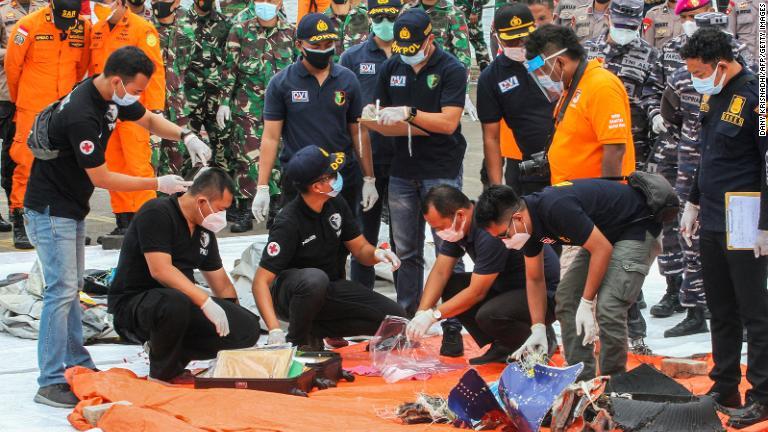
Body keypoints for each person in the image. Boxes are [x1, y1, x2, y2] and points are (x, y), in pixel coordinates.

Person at [24, 46, 204, 407]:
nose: (136, 98)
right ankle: (50, 379)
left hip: (69, 206)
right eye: (135, 91)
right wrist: (157, 184)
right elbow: (102, 176)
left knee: (71, 288)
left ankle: (76, 362)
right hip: (50, 209)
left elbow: (150, 120)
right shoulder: (82, 114)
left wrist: (185, 136)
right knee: (60, 291)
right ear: (119, 81)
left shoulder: (110, 94)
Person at [476, 181, 660, 380]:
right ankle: (581, 380)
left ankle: (613, 384)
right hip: (605, 234)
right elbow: (535, 278)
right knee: (565, 298)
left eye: (504, 235)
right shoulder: (527, 228)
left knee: (609, 306)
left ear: (517, 218)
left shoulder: (555, 207)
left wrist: (587, 302)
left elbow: (602, 249)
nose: (505, 242)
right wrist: (537, 327)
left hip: (637, 226)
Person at [679, 28, 768, 428]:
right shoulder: (713, 93)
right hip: (714, 216)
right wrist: (693, 201)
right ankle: (725, 384)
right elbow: (708, 153)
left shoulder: (757, 97)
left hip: (747, 218)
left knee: (755, 312)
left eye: (699, 71)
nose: (696, 77)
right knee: (721, 309)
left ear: (720, 64)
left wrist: (766, 224)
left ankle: (763, 395)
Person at [108, 168, 260, 385]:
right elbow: (160, 270)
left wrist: (230, 315)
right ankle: (162, 373)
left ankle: (175, 354)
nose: (221, 217)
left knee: (248, 328)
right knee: (175, 300)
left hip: (181, 304)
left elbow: (222, 284)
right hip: (137, 306)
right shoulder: (157, 212)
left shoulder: (203, 230)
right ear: (201, 202)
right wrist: (205, 301)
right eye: (220, 209)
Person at [251, 145, 406, 349]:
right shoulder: (288, 222)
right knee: (314, 279)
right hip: (293, 295)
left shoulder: (335, 203)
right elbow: (261, 282)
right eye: (332, 174)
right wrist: (274, 330)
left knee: (396, 320)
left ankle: (317, 330)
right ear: (317, 186)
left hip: (330, 289)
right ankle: (298, 342)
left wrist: (378, 253)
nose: (338, 177)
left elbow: (360, 249)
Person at [371, 9, 467, 328]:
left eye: (414, 47)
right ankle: (406, 315)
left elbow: (449, 121)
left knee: (447, 246)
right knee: (406, 249)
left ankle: (451, 320)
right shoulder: (392, 67)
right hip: (402, 169)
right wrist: (375, 114)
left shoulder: (451, 68)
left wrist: (410, 113)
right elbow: (379, 109)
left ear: (430, 39)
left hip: (440, 168)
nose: (409, 55)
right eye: (403, 48)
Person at [406, 185, 560, 365]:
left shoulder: (488, 229)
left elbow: (477, 292)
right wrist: (421, 312)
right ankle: (503, 344)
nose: (439, 233)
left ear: (460, 215)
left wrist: (434, 316)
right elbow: (440, 272)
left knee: (489, 314)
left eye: (440, 227)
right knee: (451, 286)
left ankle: (537, 339)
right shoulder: (458, 228)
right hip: (504, 287)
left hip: (540, 293)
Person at [654, 11, 737, 338]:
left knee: (731, 243)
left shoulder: (748, 77)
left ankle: (738, 311)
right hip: (689, 168)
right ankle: (694, 308)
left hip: (732, 172)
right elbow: (670, 114)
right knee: (689, 238)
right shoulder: (682, 76)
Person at [254, 13, 375, 224]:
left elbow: (358, 131)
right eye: (316, 45)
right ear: (300, 45)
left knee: (342, 244)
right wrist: (262, 186)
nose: (323, 51)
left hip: (340, 176)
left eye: (328, 44)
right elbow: (271, 137)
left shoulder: (347, 80)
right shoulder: (282, 83)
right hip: (300, 179)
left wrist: (369, 178)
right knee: (299, 243)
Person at [4, 0, 90, 249]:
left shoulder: (81, 27)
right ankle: (21, 221)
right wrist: (21, 101)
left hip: (63, 108)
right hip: (32, 106)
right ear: (51, 7)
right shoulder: (28, 26)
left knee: (66, 163)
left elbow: (81, 65)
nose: (67, 24)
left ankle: (65, 224)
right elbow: (13, 67)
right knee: (26, 163)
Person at [89, 0, 172, 241]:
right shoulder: (97, 30)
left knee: (137, 165)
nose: (100, 6)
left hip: (134, 109)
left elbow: (155, 71)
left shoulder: (141, 29)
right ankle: (123, 219)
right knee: (113, 165)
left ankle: (147, 220)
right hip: (106, 110)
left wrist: (156, 109)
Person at [217, 0, 298, 233]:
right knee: (246, 158)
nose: (266, 4)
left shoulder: (290, 32)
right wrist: (224, 101)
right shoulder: (240, 29)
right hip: (247, 105)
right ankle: (245, 211)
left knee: (279, 158)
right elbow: (229, 69)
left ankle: (276, 210)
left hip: (281, 107)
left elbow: (297, 70)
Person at [340, 0, 402, 289]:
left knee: (405, 236)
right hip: (367, 158)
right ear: (369, 18)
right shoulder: (353, 57)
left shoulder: (411, 53)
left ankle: (408, 300)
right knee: (363, 234)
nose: (385, 22)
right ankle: (362, 297)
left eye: (391, 16)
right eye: (379, 16)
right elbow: (340, 105)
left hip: (406, 157)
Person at [524, 24, 635, 187]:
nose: (544, 77)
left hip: (593, 201)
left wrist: (607, 199)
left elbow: (615, 148)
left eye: (543, 71)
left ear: (560, 62)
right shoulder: (573, 85)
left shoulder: (601, 86)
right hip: (571, 195)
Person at [478, 3, 554, 193]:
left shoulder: (556, 58)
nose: (520, 44)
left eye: (524, 37)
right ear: (498, 38)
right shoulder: (491, 78)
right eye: (512, 41)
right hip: (529, 164)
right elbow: (491, 137)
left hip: (571, 161)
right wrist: (496, 189)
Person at [0, 0, 46, 232]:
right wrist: (15, 52)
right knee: (13, 157)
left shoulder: (44, 9)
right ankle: (14, 210)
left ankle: (16, 208)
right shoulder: (3, 10)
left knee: (21, 155)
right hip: (7, 92)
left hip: (32, 96)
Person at [176, 0, 232, 182]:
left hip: (216, 100)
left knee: (223, 153)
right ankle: (180, 198)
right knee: (183, 152)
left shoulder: (226, 24)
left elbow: (230, 64)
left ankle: (223, 202)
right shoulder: (180, 22)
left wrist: (225, 100)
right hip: (187, 99)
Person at [152, 0, 191, 178]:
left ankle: (171, 203)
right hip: (151, 108)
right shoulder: (144, 28)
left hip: (177, 107)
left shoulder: (187, 29)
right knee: (150, 162)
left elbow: (186, 68)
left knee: (177, 162)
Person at [402, 0, 472, 71]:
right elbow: (398, 44)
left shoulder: (453, 12)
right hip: (411, 70)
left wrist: (460, 78)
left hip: (441, 72)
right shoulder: (408, 10)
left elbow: (463, 53)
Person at [454, 0, 490, 71]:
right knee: (460, 40)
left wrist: (475, 11)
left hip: (469, 10)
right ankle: (462, 70)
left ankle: (485, 70)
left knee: (478, 41)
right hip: (458, 9)